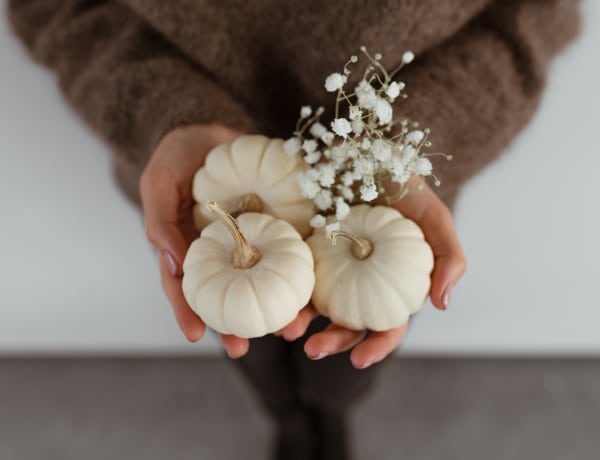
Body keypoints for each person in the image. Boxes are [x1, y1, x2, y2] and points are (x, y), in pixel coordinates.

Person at [8, 1, 580, 459]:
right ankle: (286, 419)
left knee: (347, 361)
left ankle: (329, 417)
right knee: (247, 341)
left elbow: (536, 15)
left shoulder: (385, 199)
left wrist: (395, 148)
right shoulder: (206, 220)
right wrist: (167, 110)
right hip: (201, 208)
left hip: (379, 201)